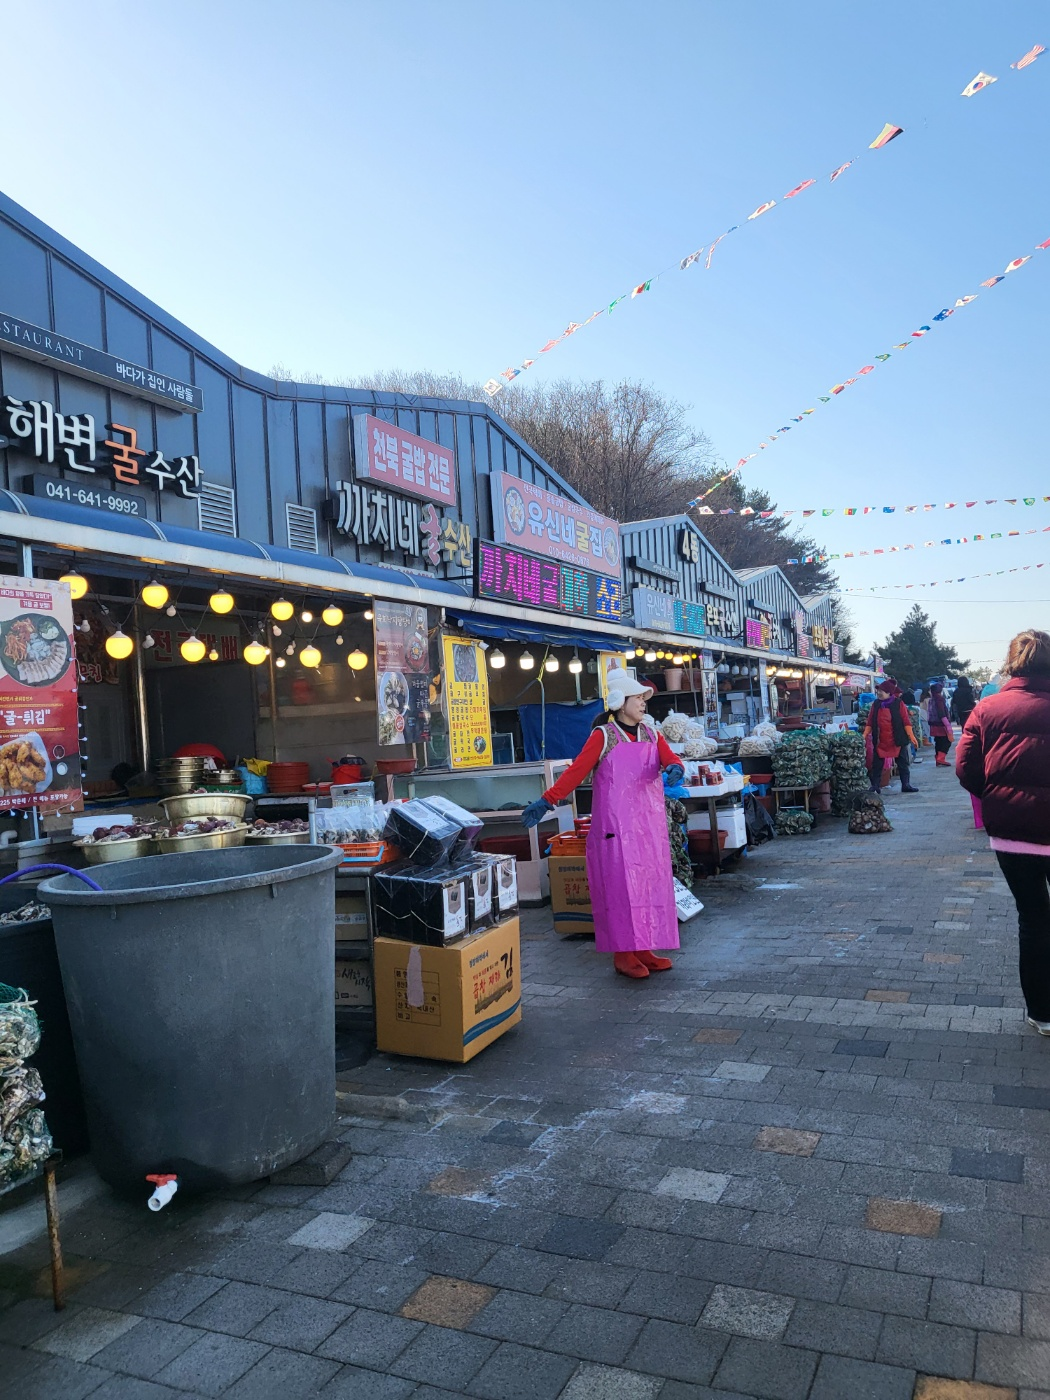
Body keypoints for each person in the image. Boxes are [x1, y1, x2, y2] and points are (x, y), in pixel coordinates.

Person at [522, 668, 684, 979]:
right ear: (620, 702)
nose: (643, 703)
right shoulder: (603, 736)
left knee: (649, 886)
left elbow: (670, 759)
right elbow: (576, 771)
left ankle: (644, 947)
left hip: (647, 830)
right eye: (638, 698)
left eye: (644, 698)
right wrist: (548, 799)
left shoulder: (652, 734)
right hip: (615, 831)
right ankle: (624, 954)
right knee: (620, 890)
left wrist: (677, 767)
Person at [956, 630, 1050, 1033]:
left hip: (1013, 834)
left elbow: (966, 769)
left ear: (1012, 663)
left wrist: (998, 797)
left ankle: (1042, 1013)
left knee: (1033, 918)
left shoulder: (987, 708)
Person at [863, 679, 918, 793]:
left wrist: (911, 736)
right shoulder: (876, 704)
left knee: (903, 763)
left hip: (897, 739)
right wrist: (864, 735)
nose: (879, 693)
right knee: (877, 765)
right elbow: (870, 721)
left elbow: (905, 720)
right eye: (878, 691)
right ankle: (875, 786)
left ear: (889, 693)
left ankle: (906, 785)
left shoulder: (898, 703)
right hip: (880, 741)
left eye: (881, 691)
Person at [928, 682, 954, 766]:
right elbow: (941, 713)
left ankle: (938, 759)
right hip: (941, 724)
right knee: (947, 741)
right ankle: (941, 758)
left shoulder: (931, 700)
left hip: (933, 724)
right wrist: (947, 725)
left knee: (938, 741)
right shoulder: (939, 699)